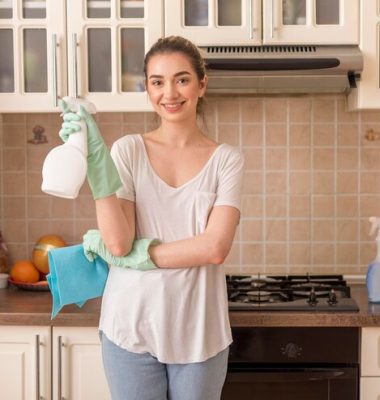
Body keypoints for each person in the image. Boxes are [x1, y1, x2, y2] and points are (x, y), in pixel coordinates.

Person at [58, 36, 244, 400]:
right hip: (130, 326)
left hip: (199, 332)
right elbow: (117, 242)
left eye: (182, 79)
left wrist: (139, 257)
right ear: (148, 89)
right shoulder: (128, 150)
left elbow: (215, 247)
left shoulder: (227, 160)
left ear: (202, 84)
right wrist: (99, 169)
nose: (169, 93)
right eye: (157, 82)